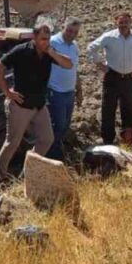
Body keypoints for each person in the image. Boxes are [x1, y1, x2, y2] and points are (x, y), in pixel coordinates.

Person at [0, 24, 74, 177]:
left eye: (48, 38)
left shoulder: (49, 52)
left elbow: (69, 64)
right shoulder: (21, 51)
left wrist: (52, 53)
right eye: (43, 39)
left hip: (39, 105)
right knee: (13, 143)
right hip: (20, 105)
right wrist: (7, 92)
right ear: (34, 38)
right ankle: (1, 174)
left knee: (46, 140)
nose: (46, 42)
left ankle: (26, 174)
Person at [86, 13, 132, 146]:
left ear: (131, 22)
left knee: (129, 108)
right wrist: (100, 64)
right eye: (121, 22)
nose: (123, 25)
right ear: (116, 23)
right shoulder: (109, 36)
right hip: (112, 77)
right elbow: (91, 48)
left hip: (130, 78)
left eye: (126, 22)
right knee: (108, 109)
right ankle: (108, 140)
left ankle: (128, 138)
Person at [46, 18, 82, 161]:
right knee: (58, 125)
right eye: (69, 30)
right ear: (63, 27)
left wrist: (79, 90)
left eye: (75, 32)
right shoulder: (53, 42)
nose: (71, 34)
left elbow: (75, 70)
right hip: (55, 92)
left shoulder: (74, 46)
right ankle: (52, 157)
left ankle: (57, 151)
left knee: (65, 125)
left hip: (69, 92)